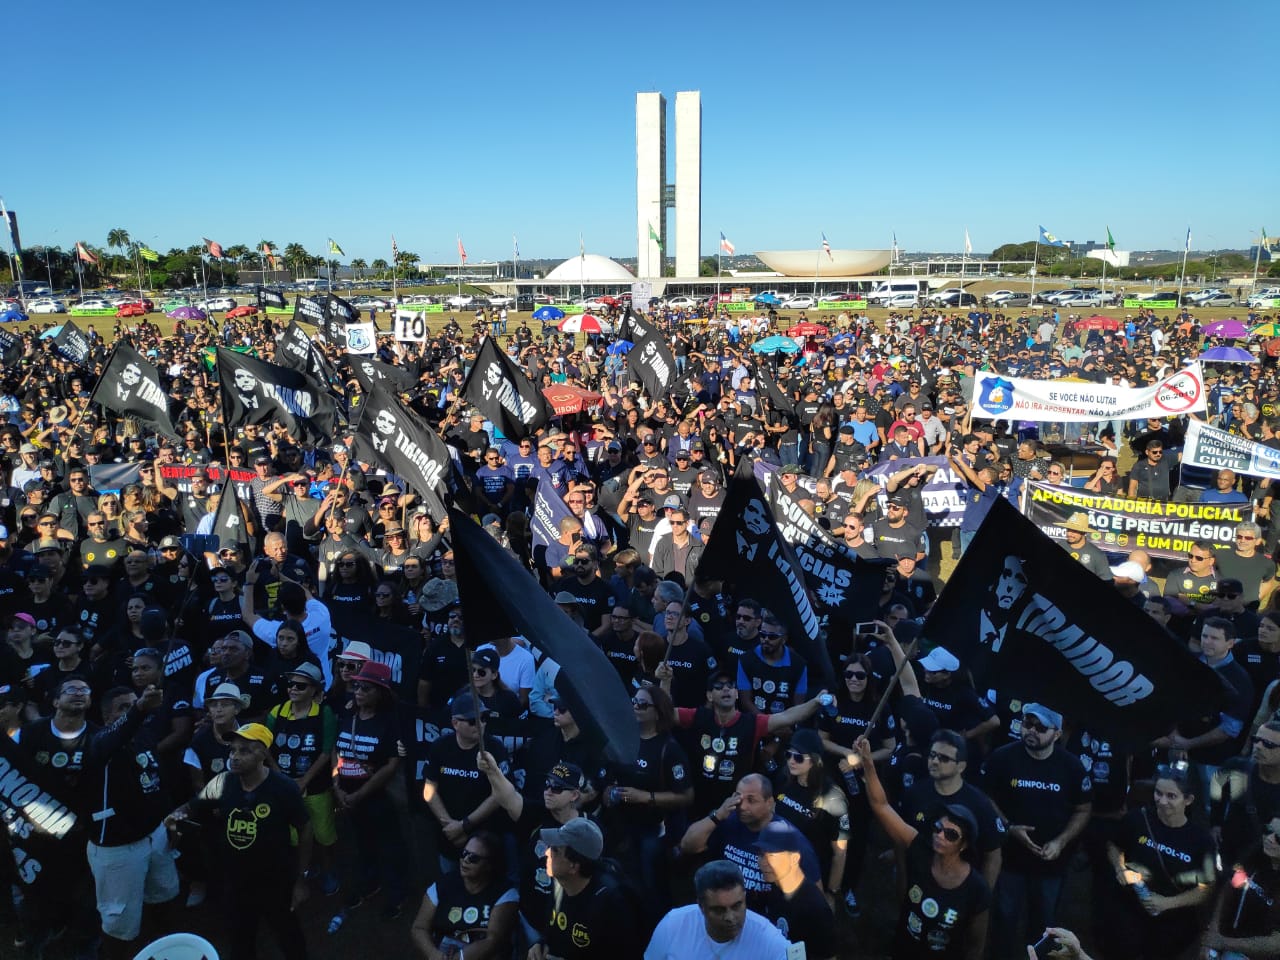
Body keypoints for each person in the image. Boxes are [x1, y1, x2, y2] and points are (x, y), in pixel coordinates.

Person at [165, 722, 310, 960]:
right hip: (235, 880)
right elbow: (192, 806)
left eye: (245, 750)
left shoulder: (283, 788)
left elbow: (305, 827)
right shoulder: (223, 782)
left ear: (263, 753)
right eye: (232, 750)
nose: (235, 756)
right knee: (240, 939)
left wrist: (301, 879)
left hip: (275, 879)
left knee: (288, 934)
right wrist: (174, 816)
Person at [855, 736, 990, 960]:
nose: (940, 835)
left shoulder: (976, 889)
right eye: (938, 827)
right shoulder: (919, 847)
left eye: (951, 834)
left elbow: (975, 946)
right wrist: (868, 764)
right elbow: (881, 805)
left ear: (964, 844)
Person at [981, 702, 1092, 959]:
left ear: (1057, 733)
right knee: (1005, 916)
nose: (1031, 731)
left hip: (1050, 862)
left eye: (1040, 727)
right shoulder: (1003, 757)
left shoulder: (1072, 767)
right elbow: (986, 797)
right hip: (1010, 859)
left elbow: (1084, 808)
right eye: (1027, 724)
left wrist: (1061, 841)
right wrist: (1009, 828)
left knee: (1044, 923)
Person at [1100, 763, 1215, 960]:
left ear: (1188, 800)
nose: (1162, 801)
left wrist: (1167, 903)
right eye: (1158, 793)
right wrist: (1120, 868)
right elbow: (1114, 845)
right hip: (1128, 911)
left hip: (1170, 922)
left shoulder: (1200, 840)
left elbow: (1206, 888)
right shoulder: (1138, 819)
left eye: (1171, 796)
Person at [528, 818, 642, 960]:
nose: (547, 853)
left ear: (574, 866)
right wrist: (539, 945)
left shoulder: (613, 903)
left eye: (555, 850)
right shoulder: (560, 885)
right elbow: (553, 932)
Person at [644, 859, 791, 960]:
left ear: (744, 898)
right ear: (701, 906)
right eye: (719, 910)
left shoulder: (769, 939)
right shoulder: (673, 925)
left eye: (736, 906)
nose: (730, 917)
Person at [409, 830, 519, 960]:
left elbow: (492, 940)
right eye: (464, 854)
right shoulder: (442, 885)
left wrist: (459, 958)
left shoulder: (505, 893)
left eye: (473, 858)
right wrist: (434, 955)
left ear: (489, 865)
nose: (465, 860)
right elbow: (419, 928)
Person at [1200, 812, 1280, 960]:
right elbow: (1229, 888)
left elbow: (1275, 945)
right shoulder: (1254, 857)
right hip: (1223, 943)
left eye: (1278, 838)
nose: (1269, 839)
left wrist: (1224, 943)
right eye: (1268, 830)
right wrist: (1213, 932)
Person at [754, 820, 837, 960]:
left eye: (772, 856)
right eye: (761, 854)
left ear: (794, 859)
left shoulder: (815, 907)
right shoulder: (775, 888)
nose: (763, 862)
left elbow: (829, 957)